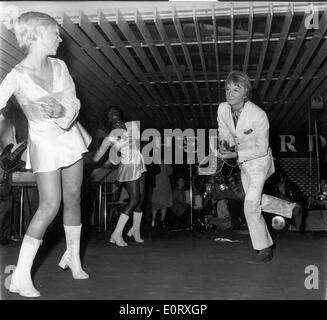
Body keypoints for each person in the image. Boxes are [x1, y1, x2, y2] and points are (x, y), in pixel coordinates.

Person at [0, 12, 92, 297]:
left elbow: (72, 99)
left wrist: (63, 110)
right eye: (55, 33)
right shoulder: (16, 75)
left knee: (74, 197)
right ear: (39, 34)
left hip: (70, 137)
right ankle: (21, 276)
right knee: (50, 204)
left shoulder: (60, 65)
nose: (60, 38)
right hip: (45, 144)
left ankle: (74, 258)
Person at [216, 71, 296, 264]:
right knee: (254, 201)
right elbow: (224, 131)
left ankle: (264, 249)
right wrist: (223, 144)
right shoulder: (222, 109)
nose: (230, 93)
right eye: (228, 89)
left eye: (236, 89)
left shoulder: (259, 115)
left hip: (260, 162)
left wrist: (234, 154)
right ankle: (291, 208)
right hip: (244, 164)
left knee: (250, 205)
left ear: (246, 94)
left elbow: (261, 148)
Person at [93, 107, 146, 246]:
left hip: (139, 163)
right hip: (128, 166)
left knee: (141, 199)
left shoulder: (132, 127)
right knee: (134, 199)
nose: (114, 114)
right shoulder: (110, 136)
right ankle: (116, 233)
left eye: (116, 111)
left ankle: (136, 230)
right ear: (108, 119)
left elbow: (136, 146)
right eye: (110, 113)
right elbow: (97, 157)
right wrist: (89, 160)